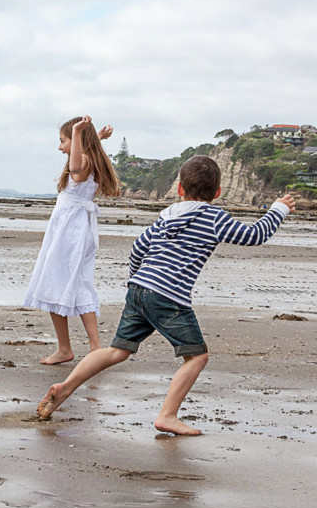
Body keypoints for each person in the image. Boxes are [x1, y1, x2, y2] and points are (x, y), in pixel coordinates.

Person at [37, 155, 296, 435]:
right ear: (218, 192)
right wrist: (278, 209)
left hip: (138, 289)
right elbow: (255, 235)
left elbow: (138, 248)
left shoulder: (167, 215)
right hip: (169, 297)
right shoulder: (214, 217)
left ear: (180, 188)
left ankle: (66, 387)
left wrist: (138, 281)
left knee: (116, 351)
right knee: (197, 357)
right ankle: (167, 416)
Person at [24, 116, 120, 364]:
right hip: (70, 230)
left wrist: (77, 132)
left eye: (63, 141)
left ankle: (83, 347)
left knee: (57, 282)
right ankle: (76, 347)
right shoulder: (89, 156)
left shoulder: (82, 162)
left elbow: (76, 168)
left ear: (77, 141)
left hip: (70, 233)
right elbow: (82, 155)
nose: (60, 147)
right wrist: (95, 137)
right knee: (68, 284)